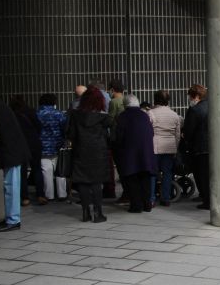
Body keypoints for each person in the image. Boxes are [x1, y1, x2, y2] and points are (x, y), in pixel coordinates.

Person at [0, 91, 31, 232]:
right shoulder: (0, 106)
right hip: (14, 152)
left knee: (11, 187)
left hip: (12, 154)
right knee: (10, 186)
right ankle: (11, 217)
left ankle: (13, 220)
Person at [66, 87, 111, 222]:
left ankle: (85, 212)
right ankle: (98, 213)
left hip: (80, 151)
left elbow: (71, 134)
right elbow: (108, 135)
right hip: (98, 152)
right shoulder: (103, 117)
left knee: (83, 182)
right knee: (96, 182)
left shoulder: (75, 115)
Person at [113, 95, 156, 213]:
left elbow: (119, 137)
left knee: (132, 180)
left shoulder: (122, 117)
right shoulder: (144, 115)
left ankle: (136, 206)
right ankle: (147, 205)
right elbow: (151, 132)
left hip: (130, 153)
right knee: (145, 178)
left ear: (125, 105)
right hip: (146, 152)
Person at [10, 94, 45, 207]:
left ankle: (25, 197)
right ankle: (40, 195)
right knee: (37, 169)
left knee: (22, 172)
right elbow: (39, 126)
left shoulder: (12, 114)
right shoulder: (31, 111)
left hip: (20, 145)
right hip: (34, 143)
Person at [149, 89, 181, 207]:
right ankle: (166, 198)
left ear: (155, 99)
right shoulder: (174, 115)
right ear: (168, 100)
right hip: (170, 147)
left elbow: (148, 132)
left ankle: (151, 199)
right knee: (167, 173)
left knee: (152, 173)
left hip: (155, 146)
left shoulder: (151, 113)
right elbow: (177, 135)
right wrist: (175, 147)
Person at [183, 84, 210, 210]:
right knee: (208, 175)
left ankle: (206, 199)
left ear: (196, 96)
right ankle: (208, 197)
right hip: (211, 146)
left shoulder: (195, 110)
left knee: (201, 175)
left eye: (190, 96)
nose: (189, 99)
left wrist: (185, 138)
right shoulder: (211, 106)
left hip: (199, 147)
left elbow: (189, 131)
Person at [37, 94, 68, 201]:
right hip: (58, 146)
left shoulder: (37, 114)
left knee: (46, 171)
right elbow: (65, 129)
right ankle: (62, 194)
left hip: (42, 146)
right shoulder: (59, 114)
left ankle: (49, 195)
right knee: (60, 170)